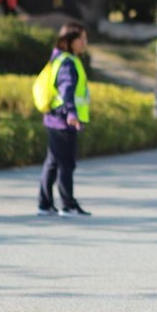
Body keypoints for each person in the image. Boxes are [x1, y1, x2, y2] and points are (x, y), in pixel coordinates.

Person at [37, 23, 92, 217]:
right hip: (63, 120)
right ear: (70, 40)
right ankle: (67, 204)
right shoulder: (68, 63)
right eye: (82, 39)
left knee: (53, 162)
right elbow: (66, 91)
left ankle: (45, 204)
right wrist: (71, 114)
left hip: (54, 119)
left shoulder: (60, 59)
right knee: (66, 163)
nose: (85, 43)